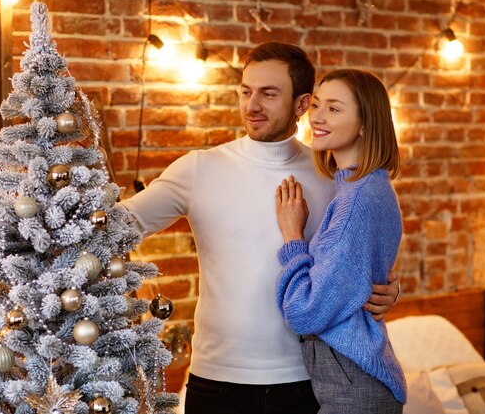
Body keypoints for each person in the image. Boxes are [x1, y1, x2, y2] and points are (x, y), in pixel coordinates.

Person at [120, 43, 400, 414]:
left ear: (302, 104)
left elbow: (355, 254)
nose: (252, 106)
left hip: (306, 384)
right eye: (246, 91)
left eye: (268, 94)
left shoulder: (331, 176)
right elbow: (120, 225)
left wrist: (388, 288)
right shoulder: (199, 168)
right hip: (217, 382)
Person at [274, 68, 406, 413]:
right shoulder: (362, 187)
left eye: (334, 108)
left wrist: (292, 238)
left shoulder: (357, 199)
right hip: (351, 379)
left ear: (365, 123)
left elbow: (306, 313)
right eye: (316, 105)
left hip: (354, 384)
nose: (316, 116)